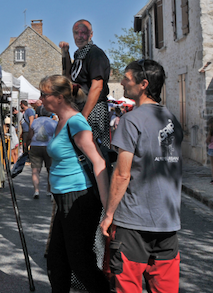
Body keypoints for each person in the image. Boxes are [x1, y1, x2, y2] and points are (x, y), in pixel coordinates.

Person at [100, 60, 183, 293]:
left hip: (133, 222)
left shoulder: (130, 120)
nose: (123, 82)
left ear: (143, 84)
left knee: (128, 287)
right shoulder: (172, 120)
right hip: (167, 221)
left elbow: (122, 174)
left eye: (127, 78)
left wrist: (108, 215)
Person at [38, 74, 110, 293]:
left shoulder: (76, 122)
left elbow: (98, 162)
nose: (41, 99)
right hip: (64, 197)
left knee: (80, 262)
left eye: (44, 94)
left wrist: (109, 210)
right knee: (56, 260)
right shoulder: (60, 120)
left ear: (59, 97)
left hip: (78, 197)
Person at [59, 20, 111, 152]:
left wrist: (84, 116)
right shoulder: (78, 54)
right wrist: (66, 53)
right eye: (76, 33)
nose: (79, 36)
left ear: (91, 34)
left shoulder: (95, 53)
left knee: (95, 152)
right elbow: (69, 78)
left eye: (83, 33)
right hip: (81, 108)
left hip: (94, 109)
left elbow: (97, 86)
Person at [28, 109, 55, 199]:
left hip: (35, 146)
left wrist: (28, 144)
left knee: (35, 170)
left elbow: (30, 135)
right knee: (50, 170)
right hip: (49, 147)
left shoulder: (35, 122)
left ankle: (36, 190)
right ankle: (49, 190)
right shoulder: (53, 123)